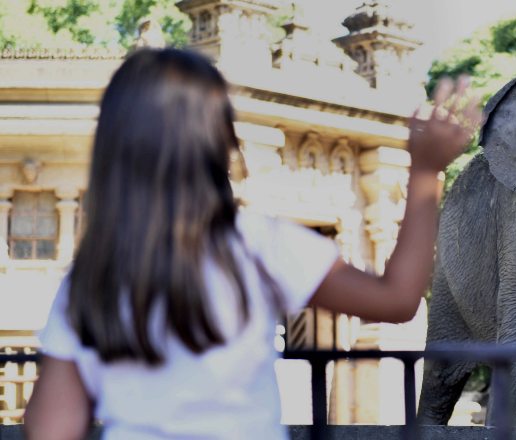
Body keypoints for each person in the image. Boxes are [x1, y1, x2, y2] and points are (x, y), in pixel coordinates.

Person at [24, 48, 481, 439]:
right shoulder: (258, 244)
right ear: (218, 140)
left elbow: (51, 430)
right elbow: (398, 298)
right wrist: (424, 172)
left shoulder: (89, 279)